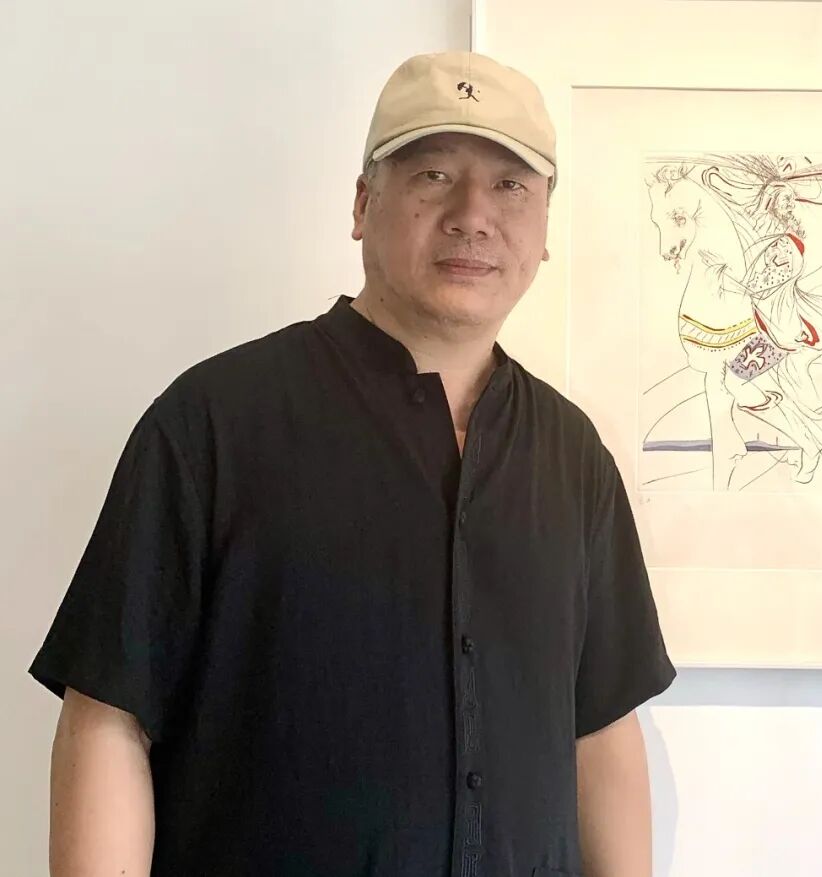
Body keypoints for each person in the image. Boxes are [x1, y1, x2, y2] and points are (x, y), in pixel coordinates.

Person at [29, 51, 676, 876]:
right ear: (364, 203)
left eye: (510, 185)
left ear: (545, 227)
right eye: (435, 175)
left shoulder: (573, 457)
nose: (473, 215)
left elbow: (601, 729)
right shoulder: (213, 424)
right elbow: (110, 715)